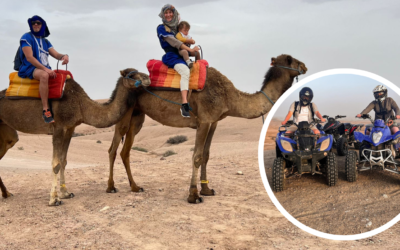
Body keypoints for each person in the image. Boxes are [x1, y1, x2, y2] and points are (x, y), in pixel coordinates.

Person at [18, 15, 69, 123]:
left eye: (38, 23)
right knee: (44, 75)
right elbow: (29, 58)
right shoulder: (26, 37)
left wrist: (64, 56)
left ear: (43, 25)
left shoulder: (45, 41)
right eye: (33, 23)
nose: (35, 25)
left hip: (44, 68)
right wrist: (45, 69)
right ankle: (45, 110)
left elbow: (55, 54)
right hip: (30, 68)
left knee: (65, 75)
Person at [157, 4, 200, 118]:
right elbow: (175, 43)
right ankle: (184, 104)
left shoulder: (178, 28)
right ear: (163, 14)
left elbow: (185, 39)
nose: (168, 15)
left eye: (170, 12)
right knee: (185, 71)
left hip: (182, 55)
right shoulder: (162, 28)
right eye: (166, 13)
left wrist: (194, 50)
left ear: (174, 14)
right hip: (172, 56)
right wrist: (190, 49)